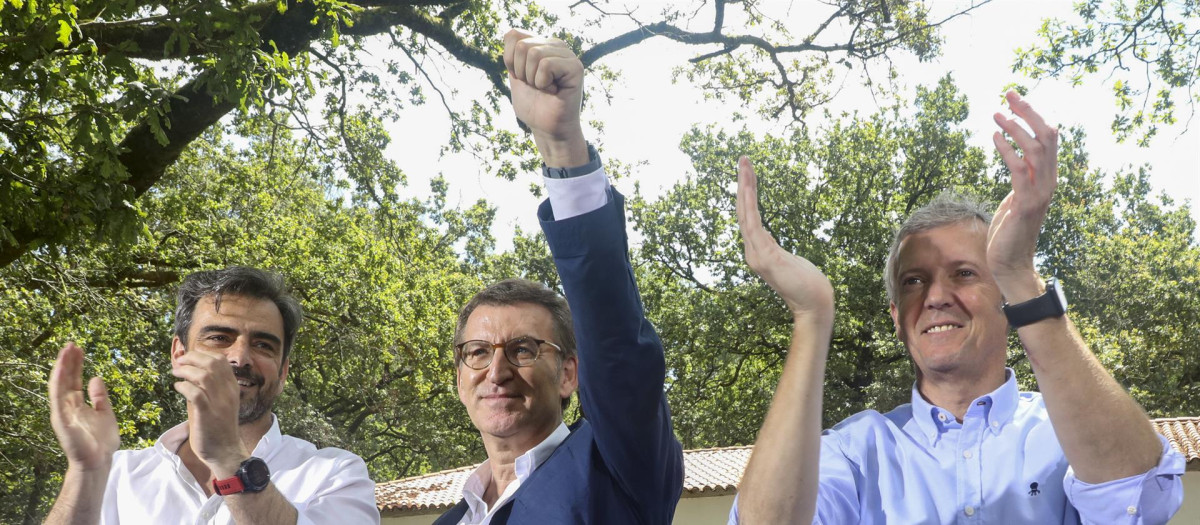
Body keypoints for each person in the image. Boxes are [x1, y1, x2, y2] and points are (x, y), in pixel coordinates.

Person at [729, 92, 1185, 524]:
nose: (935, 296)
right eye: (914, 281)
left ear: (1006, 299)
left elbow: (1140, 501)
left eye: (964, 273)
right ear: (895, 317)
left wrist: (1020, 274)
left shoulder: (1064, 427)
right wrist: (811, 317)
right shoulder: (856, 451)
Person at [433, 30, 684, 524]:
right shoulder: (453, 519)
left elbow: (616, 348)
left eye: (524, 349)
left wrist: (561, 143)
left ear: (570, 372)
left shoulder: (615, 466)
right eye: (478, 352)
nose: (497, 371)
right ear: (459, 376)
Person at [44, 266, 379, 524]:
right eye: (219, 337)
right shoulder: (119, 474)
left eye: (263, 345)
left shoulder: (336, 473)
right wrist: (85, 472)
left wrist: (229, 459)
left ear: (283, 372)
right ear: (178, 354)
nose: (240, 357)